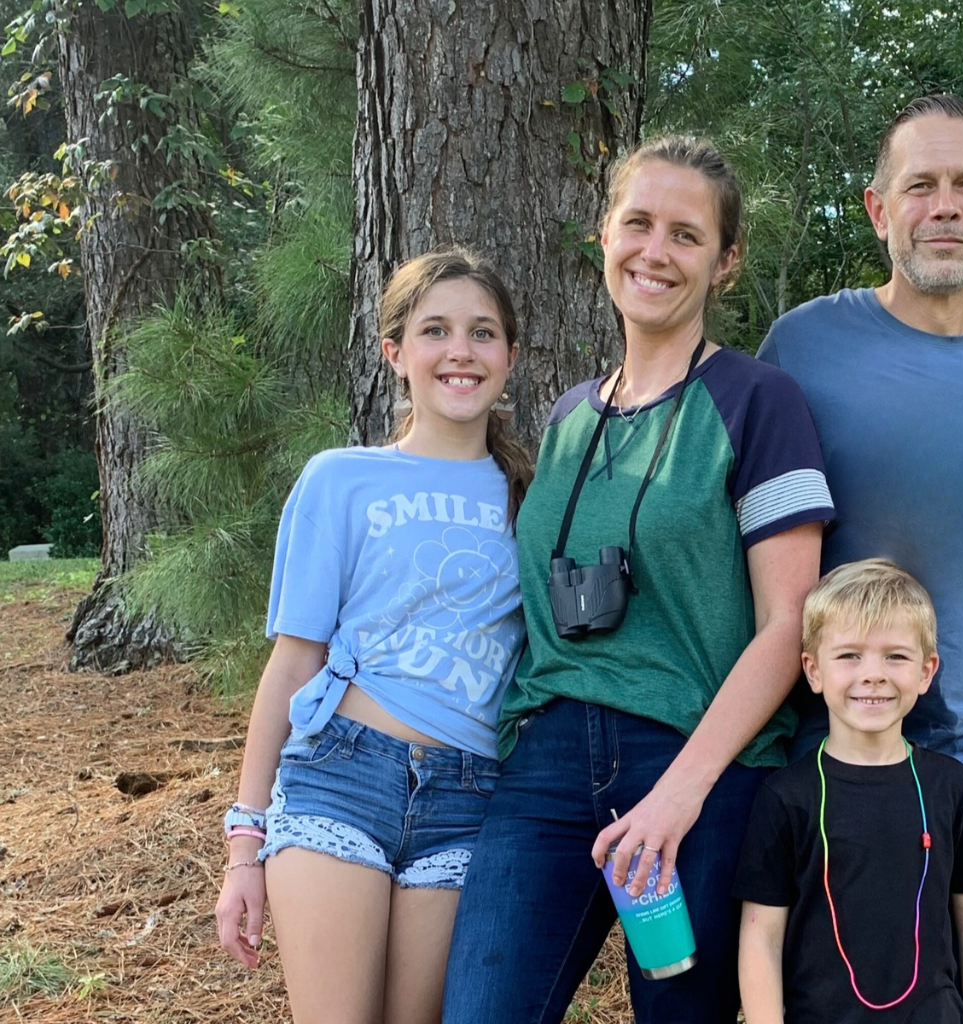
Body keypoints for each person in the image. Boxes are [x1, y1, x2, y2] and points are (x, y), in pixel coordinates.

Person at [442, 136, 835, 1024]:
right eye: (639, 224)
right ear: (605, 235)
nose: (655, 251)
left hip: (698, 760)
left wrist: (681, 793)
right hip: (546, 759)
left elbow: (790, 622)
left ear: (724, 261)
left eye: (686, 235)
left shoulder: (758, 402)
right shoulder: (567, 418)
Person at [758, 94, 963, 1024]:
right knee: (846, 989)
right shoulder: (802, 346)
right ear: (877, 208)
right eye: (919, 184)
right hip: (840, 733)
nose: (945, 206)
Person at [213, 248, 535, 1024]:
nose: (461, 351)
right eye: (435, 330)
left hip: (468, 797)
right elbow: (294, 661)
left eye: (483, 332)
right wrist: (243, 846)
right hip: (341, 777)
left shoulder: (537, 496)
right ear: (395, 354)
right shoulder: (341, 479)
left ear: (510, 356)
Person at [735, 558, 963, 1024]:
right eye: (849, 656)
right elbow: (762, 935)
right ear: (813, 670)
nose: (873, 673)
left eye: (896, 656)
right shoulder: (785, 797)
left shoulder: (951, 786)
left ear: (926, 671)